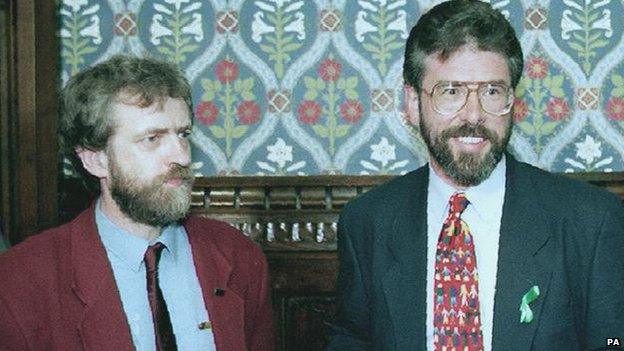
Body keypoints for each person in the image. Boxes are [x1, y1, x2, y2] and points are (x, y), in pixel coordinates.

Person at [326, 1, 624, 350]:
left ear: (512, 100)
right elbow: (350, 339)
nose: (474, 114)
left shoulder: (592, 221)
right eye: (451, 92)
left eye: (492, 91)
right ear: (411, 103)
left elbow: (613, 342)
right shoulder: (367, 222)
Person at [0, 55, 274, 350]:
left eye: (183, 134)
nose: (182, 156)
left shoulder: (239, 257)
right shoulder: (20, 280)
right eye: (152, 138)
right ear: (96, 160)